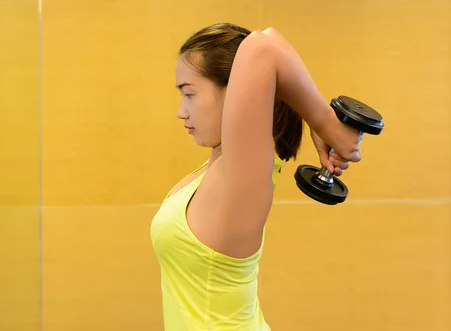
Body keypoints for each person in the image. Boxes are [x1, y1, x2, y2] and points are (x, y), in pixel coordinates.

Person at [150, 23, 361, 330]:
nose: (181, 112)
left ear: (233, 92)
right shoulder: (214, 168)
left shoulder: (239, 174)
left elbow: (261, 47)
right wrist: (313, 119)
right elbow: (267, 39)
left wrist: (326, 123)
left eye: (189, 94)